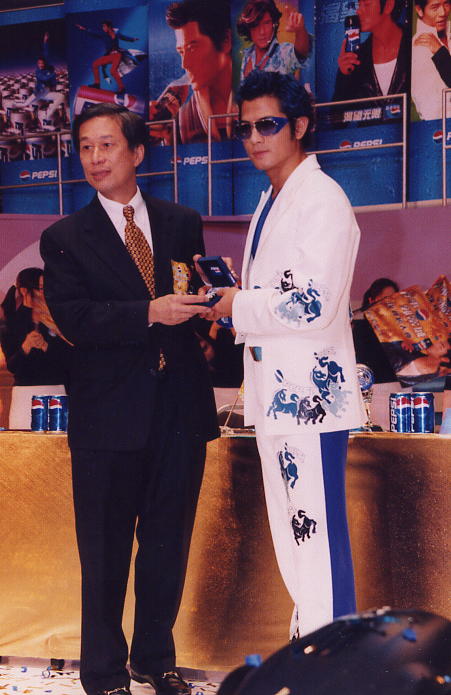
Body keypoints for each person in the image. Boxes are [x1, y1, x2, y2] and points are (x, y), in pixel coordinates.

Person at [39, 103, 219, 695]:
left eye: (107, 145)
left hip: (178, 412)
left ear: (137, 153)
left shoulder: (181, 222)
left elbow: (190, 293)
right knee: (105, 550)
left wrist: (216, 306)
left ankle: (154, 659)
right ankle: (104, 673)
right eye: (85, 147)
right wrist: (150, 311)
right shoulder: (64, 237)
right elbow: (76, 318)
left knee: (167, 545)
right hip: (107, 416)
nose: (94, 158)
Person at [201, 70, 365, 639]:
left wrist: (239, 304)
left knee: (315, 540)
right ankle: (313, 648)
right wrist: (232, 304)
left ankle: (332, 660)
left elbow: (312, 303)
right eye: (244, 128)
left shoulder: (322, 199)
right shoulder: (273, 199)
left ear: (299, 126)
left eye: (267, 125)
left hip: (311, 400)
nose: (254, 138)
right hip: (279, 397)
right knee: (297, 537)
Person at [150, 0, 233, 144]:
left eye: (192, 48)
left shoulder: (259, 96)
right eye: (181, 52)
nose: (185, 64)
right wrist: (163, 138)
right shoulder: (182, 119)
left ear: (226, 41)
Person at [0, 267, 69, 429]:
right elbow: (12, 366)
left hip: (57, 392)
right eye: (40, 288)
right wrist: (26, 346)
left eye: (47, 288)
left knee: (58, 442)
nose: (44, 293)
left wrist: (46, 346)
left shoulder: (56, 319)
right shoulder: (11, 322)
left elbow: (69, 359)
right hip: (25, 393)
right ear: (24, 290)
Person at [333, 0, 409, 101]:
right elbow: (338, 108)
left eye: (367, 4)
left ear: (388, 5)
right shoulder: (356, 59)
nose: (358, 11)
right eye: (359, 5)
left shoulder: (414, 45)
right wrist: (344, 76)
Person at [236, 0, 311, 83]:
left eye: (266, 23)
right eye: (256, 25)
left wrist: (300, 30)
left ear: (274, 24)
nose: (262, 31)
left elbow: (301, 53)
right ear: (248, 28)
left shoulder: (283, 52)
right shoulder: (247, 56)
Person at [352, 277, 399, 383]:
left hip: (398, 384)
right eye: (386, 298)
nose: (390, 303)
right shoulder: (361, 328)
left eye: (394, 299)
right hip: (375, 385)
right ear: (372, 301)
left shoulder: (399, 329)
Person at [75, 20, 140, 94]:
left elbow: (124, 37)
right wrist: (84, 29)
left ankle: (122, 88)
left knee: (113, 71)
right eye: (102, 27)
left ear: (109, 27)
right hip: (110, 55)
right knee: (95, 64)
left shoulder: (116, 33)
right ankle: (97, 84)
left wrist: (133, 39)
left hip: (117, 55)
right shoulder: (104, 34)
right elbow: (94, 33)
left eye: (104, 26)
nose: (103, 28)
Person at [412, 0, 451, 120]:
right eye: (435, 7)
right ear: (419, 10)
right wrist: (440, 54)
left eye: (446, 3)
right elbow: (432, 110)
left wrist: (440, 52)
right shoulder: (419, 45)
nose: (443, 12)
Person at [20, 32, 65, 125]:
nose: (41, 65)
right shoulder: (39, 72)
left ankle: (48, 112)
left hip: (47, 91)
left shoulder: (47, 67)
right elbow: (45, 78)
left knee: (60, 97)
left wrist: (45, 41)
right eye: (39, 63)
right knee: (27, 103)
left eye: (42, 63)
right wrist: (55, 74)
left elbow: (46, 53)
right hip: (40, 92)